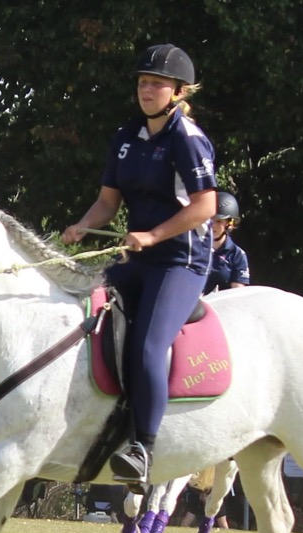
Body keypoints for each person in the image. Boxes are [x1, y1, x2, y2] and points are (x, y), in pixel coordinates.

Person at [62, 43, 217, 483]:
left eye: (157, 84)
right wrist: (82, 225)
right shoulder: (126, 136)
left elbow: (205, 206)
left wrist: (152, 234)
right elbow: (107, 203)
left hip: (180, 262)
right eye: (142, 82)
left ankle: (144, 447)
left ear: (178, 91)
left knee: (148, 344)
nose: (147, 90)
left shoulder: (187, 139)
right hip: (137, 258)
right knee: (81, 301)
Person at [204, 191, 250, 294]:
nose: (213, 225)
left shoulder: (237, 255)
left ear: (229, 224)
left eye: (219, 221)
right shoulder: (195, 248)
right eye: (210, 219)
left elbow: (237, 293)